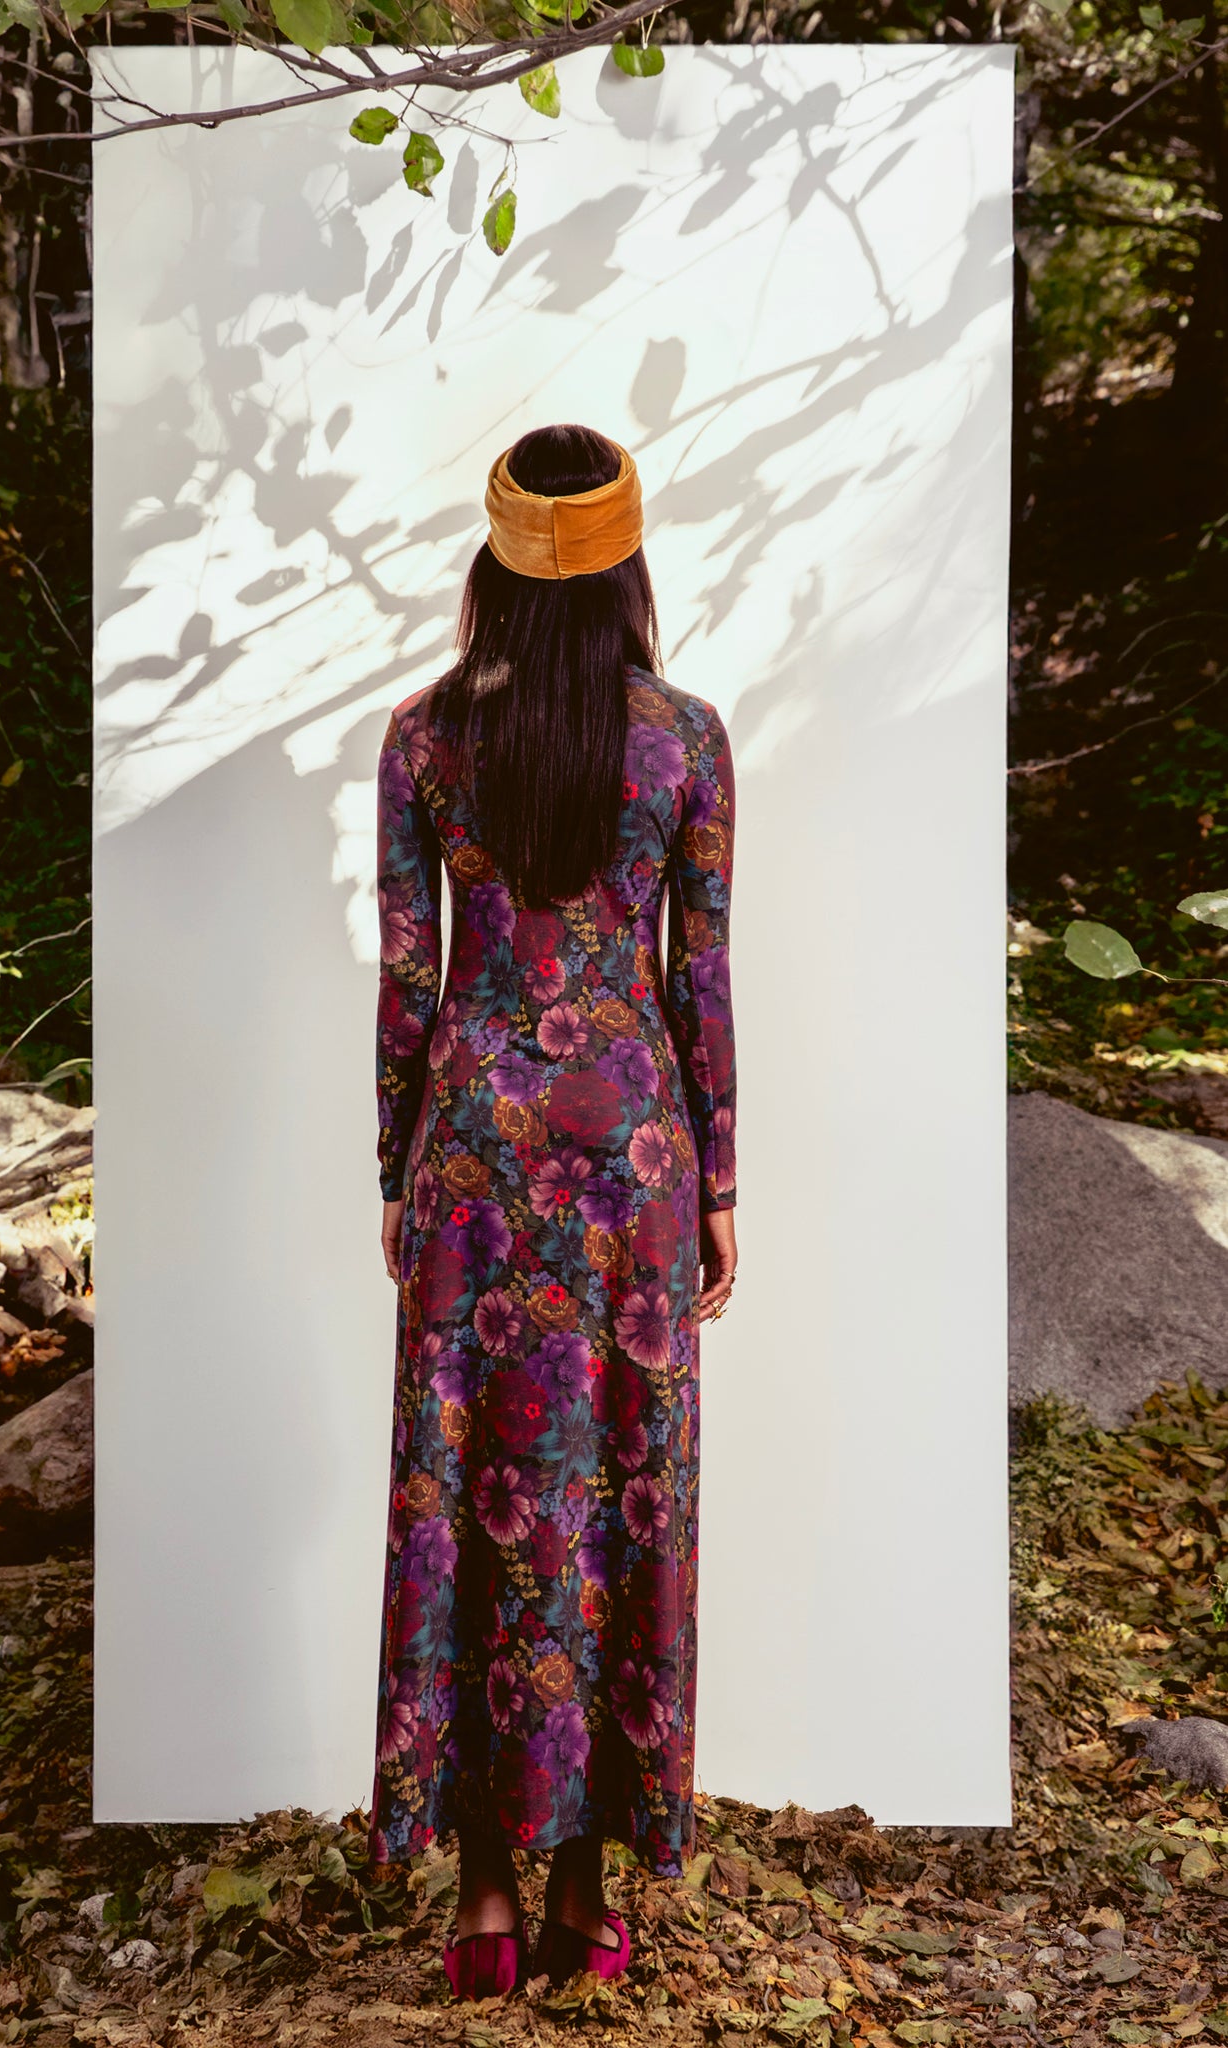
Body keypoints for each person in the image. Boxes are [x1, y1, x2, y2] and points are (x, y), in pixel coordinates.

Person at [368, 423, 738, 2000]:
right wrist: (715, 1181)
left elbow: (408, 977)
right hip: (630, 1160)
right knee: (613, 1495)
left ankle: (483, 1901)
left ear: (494, 564)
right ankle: (593, 1889)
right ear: (628, 562)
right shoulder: (686, 738)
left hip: (473, 1152)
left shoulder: (424, 736)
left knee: (469, 1494)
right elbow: (696, 976)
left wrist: (397, 1171)